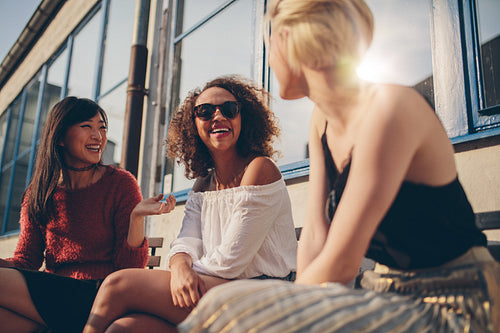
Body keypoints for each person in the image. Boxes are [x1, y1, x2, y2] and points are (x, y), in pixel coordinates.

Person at [178, 1, 500, 332]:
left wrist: (285, 307)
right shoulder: (322, 122)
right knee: (224, 305)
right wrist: (291, 301)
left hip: (455, 303)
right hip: (386, 293)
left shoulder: (390, 109)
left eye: (269, 45)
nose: (270, 61)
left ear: (286, 39)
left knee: (236, 312)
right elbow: (317, 235)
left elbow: (342, 262)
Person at [82, 75, 297, 333]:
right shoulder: (203, 184)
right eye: (205, 112)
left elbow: (231, 261)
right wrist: (180, 266)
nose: (218, 117)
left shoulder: (260, 169)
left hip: (263, 296)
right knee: (124, 328)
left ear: (243, 118)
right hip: (216, 290)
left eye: (229, 109)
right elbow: (186, 242)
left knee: (118, 285)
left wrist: (182, 273)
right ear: (193, 125)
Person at [0, 96, 176, 333]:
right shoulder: (38, 193)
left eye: (102, 128)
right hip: (54, 296)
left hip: (103, 298)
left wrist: (136, 219)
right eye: (87, 127)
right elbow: (27, 261)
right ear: (60, 137)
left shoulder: (120, 184)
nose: (98, 136)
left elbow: (129, 270)